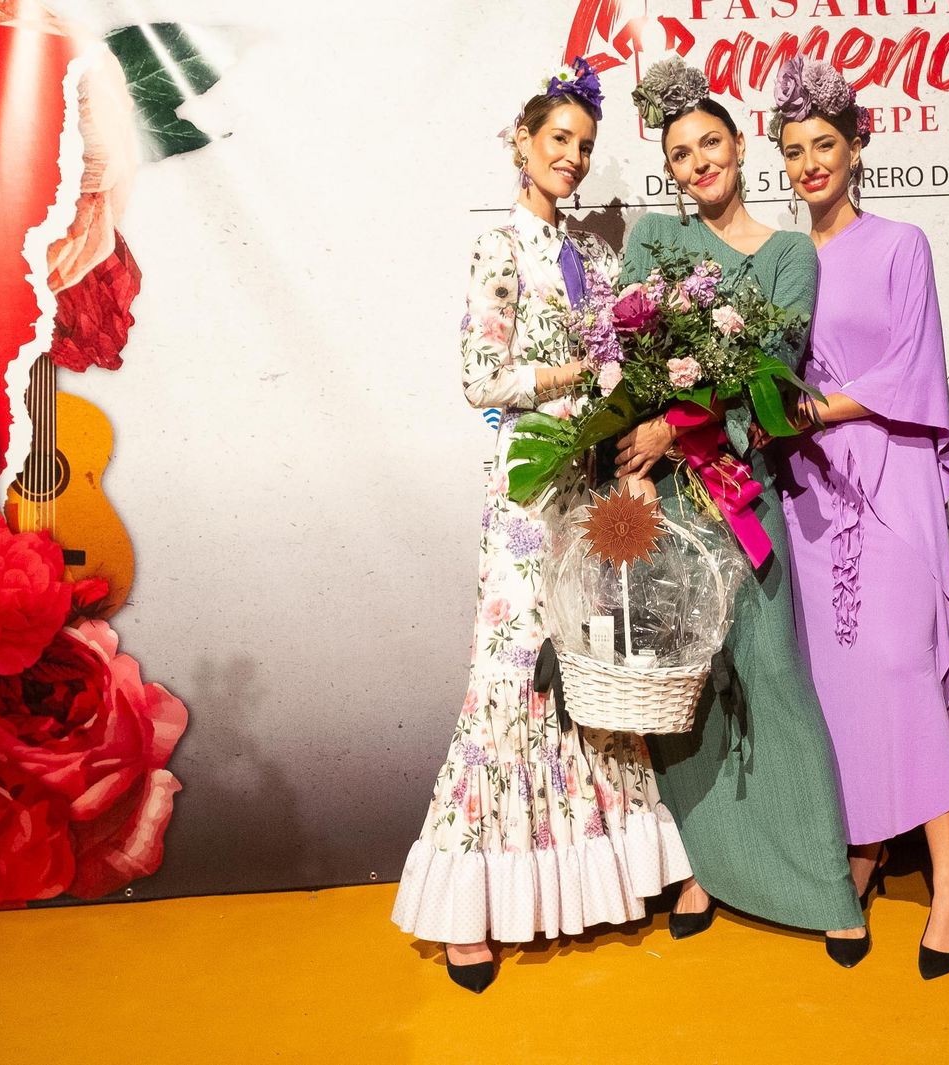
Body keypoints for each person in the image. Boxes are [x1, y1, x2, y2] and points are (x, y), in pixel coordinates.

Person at [391, 58, 690, 994]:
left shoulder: (600, 260)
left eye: (584, 147)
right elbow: (482, 380)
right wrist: (574, 377)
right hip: (526, 490)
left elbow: (624, 363)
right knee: (511, 674)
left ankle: (619, 870)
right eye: (557, 140)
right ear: (521, 144)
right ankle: (469, 904)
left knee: (594, 663)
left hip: (593, 488)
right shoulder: (498, 250)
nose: (571, 157)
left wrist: (634, 398)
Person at [611, 58, 866, 965]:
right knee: (687, 692)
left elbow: (773, 376)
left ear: (739, 145)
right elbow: (622, 361)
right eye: (680, 154)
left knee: (775, 680)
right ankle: (702, 866)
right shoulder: (649, 241)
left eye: (710, 143)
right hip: (665, 499)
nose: (697, 163)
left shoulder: (789, 253)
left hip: (739, 489)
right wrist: (638, 448)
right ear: (672, 170)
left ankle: (822, 884)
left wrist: (677, 429)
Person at [771, 57, 949, 979]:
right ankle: (860, 847)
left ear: (857, 148)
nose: (810, 163)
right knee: (838, 682)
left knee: (900, 666)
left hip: (885, 478)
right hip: (811, 494)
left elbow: (910, 368)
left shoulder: (902, 244)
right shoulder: (780, 263)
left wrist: (821, 408)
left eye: (825, 145)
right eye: (795, 150)